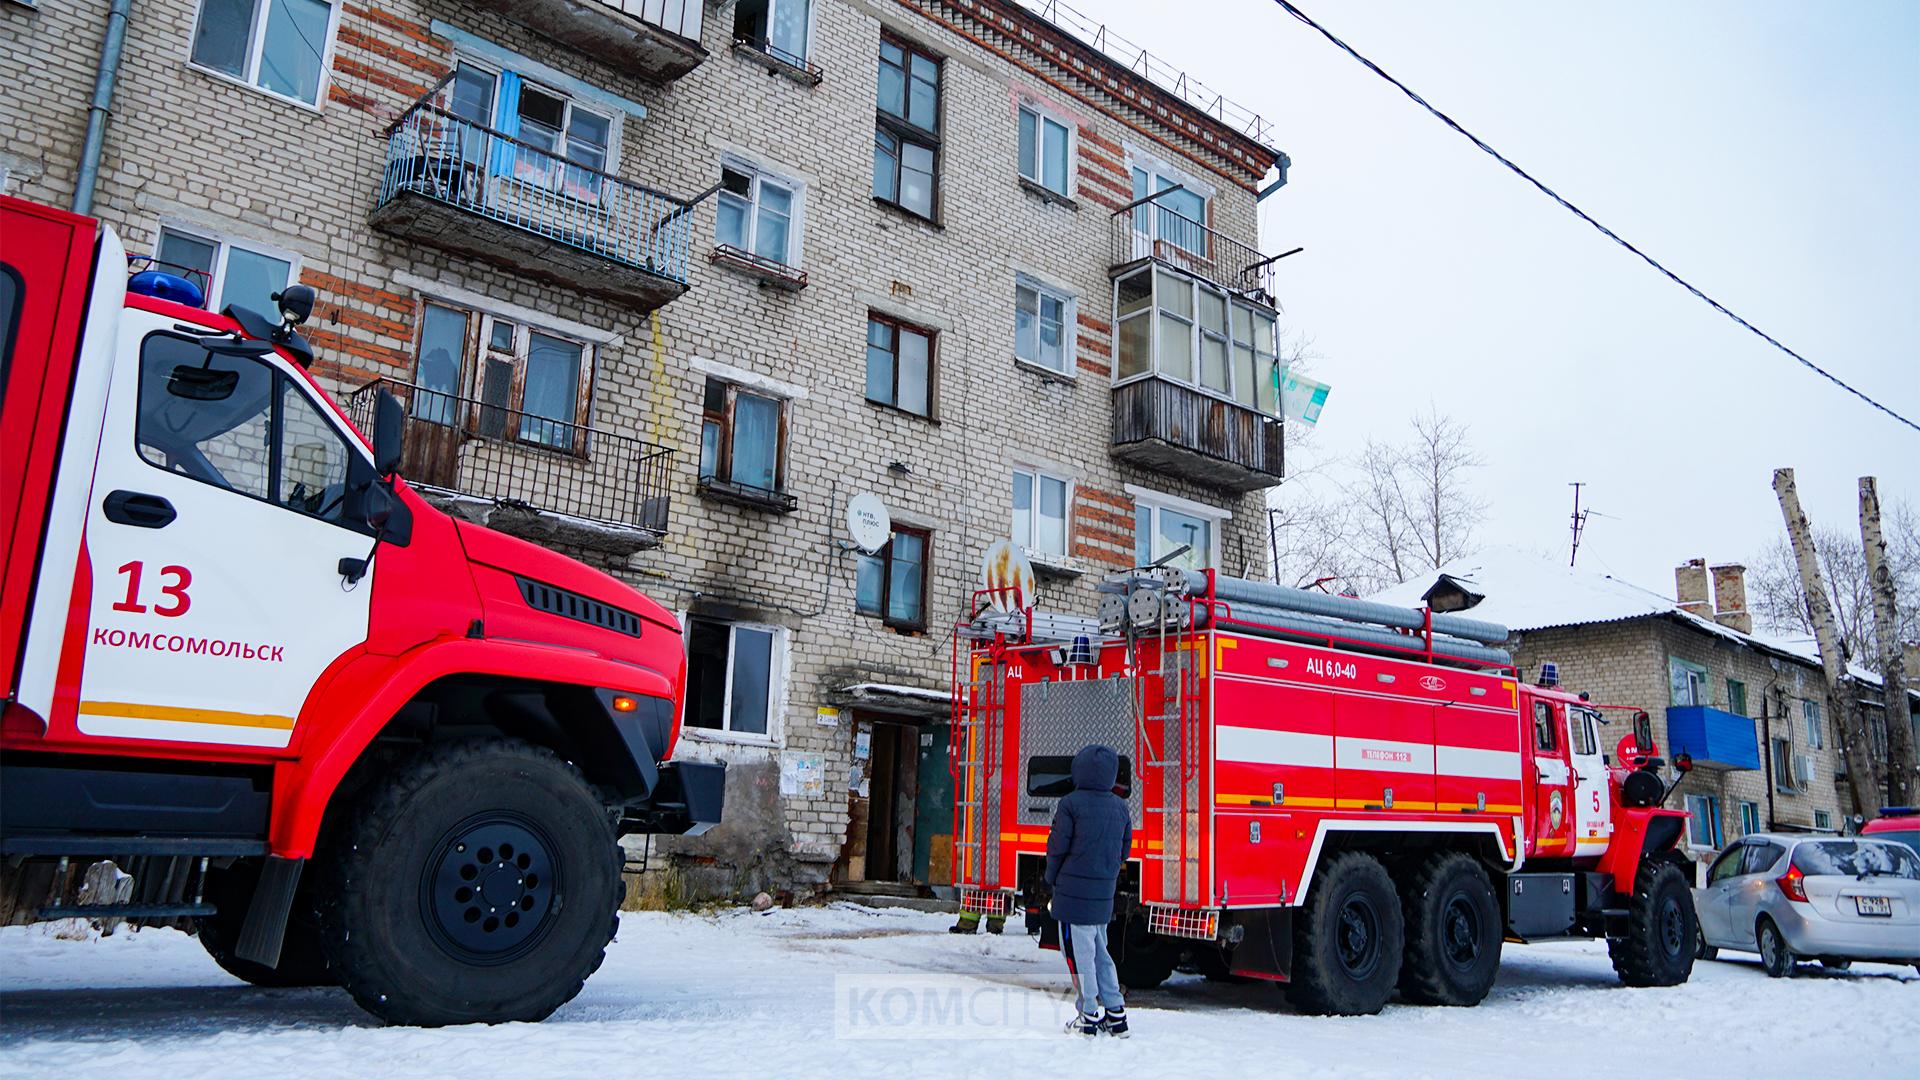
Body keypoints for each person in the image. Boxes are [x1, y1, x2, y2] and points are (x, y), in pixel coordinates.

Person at [1044, 744, 1132, 1038]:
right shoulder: (1120, 806)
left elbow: (1057, 848)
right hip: (1102, 896)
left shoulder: (1070, 803)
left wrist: (1052, 878)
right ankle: (1116, 1014)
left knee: (1078, 956)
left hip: (1072, 896)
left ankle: (1089, 1014)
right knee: (1101, 954)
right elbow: (1124, 850)